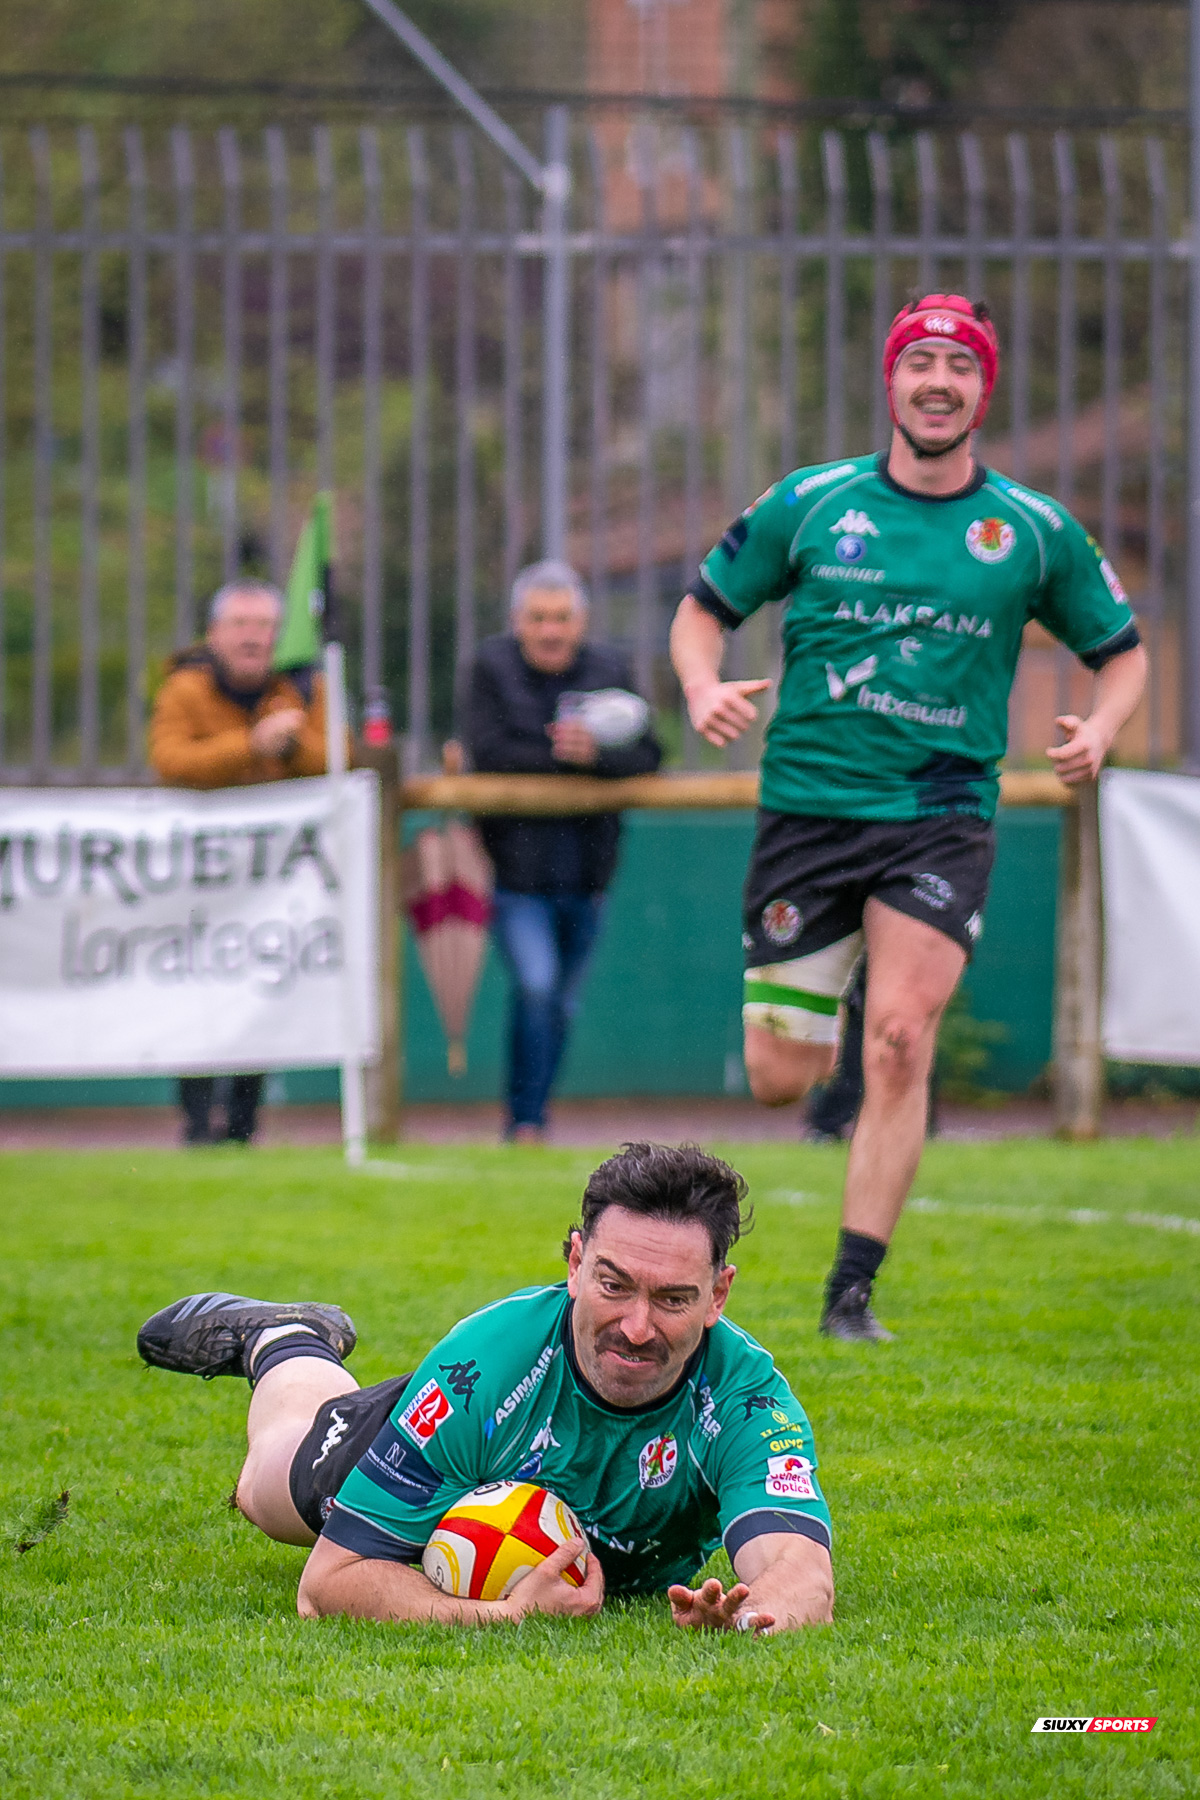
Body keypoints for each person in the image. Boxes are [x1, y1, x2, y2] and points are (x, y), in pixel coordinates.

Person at [669, 293, 1148, 1343]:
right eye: (921, 362)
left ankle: (851, 1295)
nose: (939, 381)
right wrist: (702, 687)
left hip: (940, 814)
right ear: (891, 381)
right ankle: (833, 993)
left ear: (984, 389)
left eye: (960, 365)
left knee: (898, 1038)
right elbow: (702, 609)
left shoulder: (1030, 530)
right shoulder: (812, 503)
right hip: (809, 813)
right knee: (779, 1076)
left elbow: (1122, 653)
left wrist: (1104, 729)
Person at [136, 1142, 834, 1635]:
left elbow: (800, 1571)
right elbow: (325, 1586)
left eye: (673, 1299)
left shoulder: (746, 1400)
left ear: (718, 1295)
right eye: (614, 1285)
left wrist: (748, 1618)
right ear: (575, 1262)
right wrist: (504, 1615)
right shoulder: (482, 1370)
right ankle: (285, 1340)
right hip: (458, 1443)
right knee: (271, 1486)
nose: (636, 1328)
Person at [462, 561, 661, 1143]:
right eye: (538, 618)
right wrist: (564, 754)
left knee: (561, 1003)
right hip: (515, 875)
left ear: (582, 621)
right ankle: (525, 1120)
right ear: (516, 621)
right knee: (537, 986)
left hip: (589, 874)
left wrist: (596, 755)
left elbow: (649, 754)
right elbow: (487, 751)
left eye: (562, 618)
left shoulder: (611, 669)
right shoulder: (490, 667)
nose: (550, 631)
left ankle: (533, 1114)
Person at [149, 579, 331, 1145]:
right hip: (198, 878)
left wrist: (291, 746)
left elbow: (340, 757)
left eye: (265, 627)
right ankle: (198, 1120)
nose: (253, 638)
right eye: (241, 625)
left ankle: (244, 1122)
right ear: (214, 635)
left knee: (262, 991)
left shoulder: (304, 689)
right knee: (196, 992)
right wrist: (251, 745)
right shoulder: (184, 689)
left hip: (274, 881)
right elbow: (170, 759)